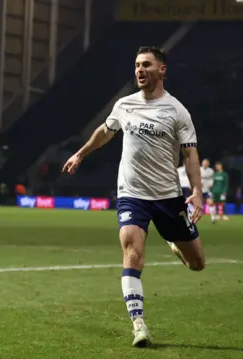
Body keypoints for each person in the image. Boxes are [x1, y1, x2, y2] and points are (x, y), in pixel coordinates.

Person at [62, 46, 206, 348]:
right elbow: (105, 130)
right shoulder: (125, 105)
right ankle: (138, 323)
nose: (140, 70)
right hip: (132, 194)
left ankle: (173, 243)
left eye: (147, 65)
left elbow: (190, 154)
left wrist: (196, 191)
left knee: (197, 264)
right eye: (137, 65)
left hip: (168, 196)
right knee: (132, 254)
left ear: (162, 69)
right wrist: (80, 154)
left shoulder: (177, 111)